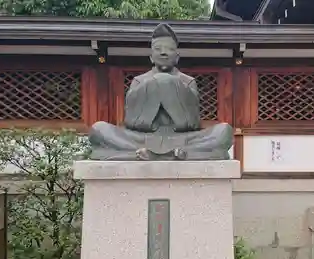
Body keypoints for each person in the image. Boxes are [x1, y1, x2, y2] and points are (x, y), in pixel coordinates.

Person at [88, 23, 233, 161]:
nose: (163, 52)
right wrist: (154, 84)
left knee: (224, 131)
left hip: (182, 139)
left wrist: (170, 83)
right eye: (158, 49)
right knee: (98, 129)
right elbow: (132, 122)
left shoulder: (188, 81)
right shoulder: (139, 81)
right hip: (141, 138)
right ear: (151, 57)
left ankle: (141, 154)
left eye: (169, 49)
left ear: (177, 57)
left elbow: (192, 123)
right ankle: (178, 155)